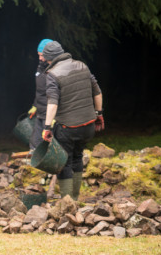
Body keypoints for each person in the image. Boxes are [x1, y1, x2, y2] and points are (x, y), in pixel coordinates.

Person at [41, 41, 104, 200]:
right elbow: (97, 91)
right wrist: (99, 114)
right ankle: (75, 199)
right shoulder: (82, 66)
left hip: (68, 128)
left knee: (64, 162)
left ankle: (68, 203)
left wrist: (47, 126)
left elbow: (53, 103)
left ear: (50, 59)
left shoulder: (53, 74)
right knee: (78, 157)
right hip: (88, 125)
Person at [28, 38, 53, 151]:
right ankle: (33, 165)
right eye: (38, 55)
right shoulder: (40, 67)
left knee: (49, 144)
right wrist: (35, 105)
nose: (40, 58)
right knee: (35, 142)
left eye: (42, 55)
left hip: (51, 114)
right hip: (40, 111)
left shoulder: (56, 70)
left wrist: (56, 117)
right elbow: (39, 90)